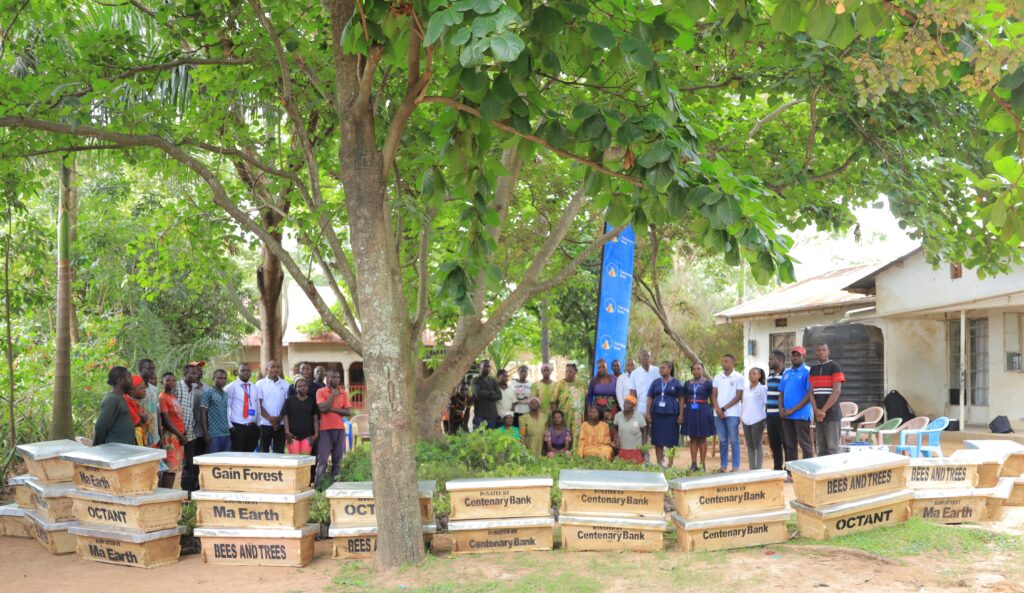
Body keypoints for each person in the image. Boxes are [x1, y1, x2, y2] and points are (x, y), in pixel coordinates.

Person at [779, 346, 814, 474]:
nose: (795, 357)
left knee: (805, 444)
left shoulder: (808, 371)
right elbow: (781, 393)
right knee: (790, 445)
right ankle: (791, 473)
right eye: (793, 355)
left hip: (801, 415)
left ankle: (808, 472)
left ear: (804, 357)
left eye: (798, 355)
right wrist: (781, 408)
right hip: (786, 415)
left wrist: (793, 410)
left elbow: (809, 395)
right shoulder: (786, 372)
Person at [316, 368, 352, 486]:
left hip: (339, 430)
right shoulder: (320, 391)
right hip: (325, 430)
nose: (336, 380)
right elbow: (322, 408)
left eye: (337, 377)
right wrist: (332, 395)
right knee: (323, 460)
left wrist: (331, 409)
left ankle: (334, 486)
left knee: (338, 460)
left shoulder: (343, 393)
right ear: (327, 378)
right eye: (333, 377)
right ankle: (318, 487)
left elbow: (348, 412)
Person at [175, 362, 206, 492]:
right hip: (177, 432)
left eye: (196, 373)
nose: (195, 375)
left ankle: (191, 490)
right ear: (185, 374)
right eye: (192, 373)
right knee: (178, 464)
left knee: (190, 462)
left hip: (190, 432)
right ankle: (185, 490)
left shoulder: (193, 389)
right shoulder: (177, 386)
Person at [810, 343, 846, 457]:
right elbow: (811, 392)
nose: (821, 352)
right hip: (818, 416)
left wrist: (823, 410)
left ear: (828, 352)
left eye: (824, 350)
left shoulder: (835, 367)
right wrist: (816, 410)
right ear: (816, 352)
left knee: (833, 448)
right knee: (821, 448)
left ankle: (834, 469)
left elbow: (837, 391)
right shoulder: (813, 369)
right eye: (819, 350)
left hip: (832, 414)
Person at [646, 361, 683, 468]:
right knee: (658, 440)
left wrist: (681, 415)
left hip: (672, 415)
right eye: (660, 368)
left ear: (669, 369)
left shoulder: (676, 383)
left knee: (671, 440)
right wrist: (648, 413)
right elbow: (650, 398)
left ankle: (670, 464)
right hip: (657, 414)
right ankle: (659, 464)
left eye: (663, 367)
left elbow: (681, 399)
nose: (661, 369)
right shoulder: (655, 382)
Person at [712, 354, 744, 473]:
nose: (724, 363)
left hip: (733, 414)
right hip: (718, 414)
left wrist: (723, 409)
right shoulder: (717, 377)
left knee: (734, 440)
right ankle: (723, 465)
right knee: (723, 441)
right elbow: (714, 395)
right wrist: (718, 410)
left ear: (733, 362)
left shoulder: (739, 377)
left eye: (726, 361)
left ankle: (735, 466)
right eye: (723, 361)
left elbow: (738, 396)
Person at [681, 362, 715, 472]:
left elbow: (713, 400)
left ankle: (702, 464)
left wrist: (708, 410)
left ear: (702, 370)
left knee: (702, 438)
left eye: (699, 369)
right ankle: (694, 464)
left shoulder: (708, 383)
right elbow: (684, 399)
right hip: (690, 411)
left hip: (704, 411)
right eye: (694, 369)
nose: (696, 371)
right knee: (693, 438)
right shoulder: (687, 383)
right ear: (691, 371)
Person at [93, 366, 136, 446]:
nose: (132, 380)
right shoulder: (112, 399)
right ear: (120, 380)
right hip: (115, 450)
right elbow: (100, 427)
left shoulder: (120, 398)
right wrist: (97, 447)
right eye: (129, 377)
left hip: (122, 450)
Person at [256, 360, 291, 453]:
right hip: (264, 424)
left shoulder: (285, 384)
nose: (275, 369)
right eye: (272, 366)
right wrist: (270, 419)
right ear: (267, 369)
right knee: (263, 451)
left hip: (280, 424)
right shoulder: (260, 384)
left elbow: (287, 404)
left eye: (278, 367)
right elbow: (258, 404)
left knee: (279, 452)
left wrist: (278, 418)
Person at [158, 372, 186, 489]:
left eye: (173, 380)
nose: (171, 383)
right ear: (162, 382)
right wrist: (180, 435)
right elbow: (166, 421)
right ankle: (165, 494)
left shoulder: (173, 397)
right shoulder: (162, 397)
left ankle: (168, 493)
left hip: (178, 436)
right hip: (170, 436)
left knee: (173, 469)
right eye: (168, 380)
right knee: (169, 469)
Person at [225, 362, 260, 452]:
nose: (245, 372)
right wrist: (230, 426)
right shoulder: (231, 387)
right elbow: (226, 407)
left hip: (252, 427)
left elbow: (257, 406)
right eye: (243, 370)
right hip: (237, 427)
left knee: (249, 453)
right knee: (237, 454)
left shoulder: (254, 387)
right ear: (237, 372)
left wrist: (258, 424)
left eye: (248, 370)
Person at [283, 376, 320, 455]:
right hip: (292, 436)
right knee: (294, 459)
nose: (302, 388)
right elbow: (285, 417)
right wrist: (287, 432)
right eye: (299, 386)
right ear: (295, 388)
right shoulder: (289, 400)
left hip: (308, 436)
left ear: (308, 387)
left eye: (305, 385)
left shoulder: (312, 401)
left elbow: (315, 419)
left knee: (304, 459)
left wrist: (316, 434)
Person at [200, 369, 232, 454]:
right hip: (213, 434)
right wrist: (206, 434)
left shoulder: (225, 394)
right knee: (213, 459)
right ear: (213, 378)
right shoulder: (208, 392)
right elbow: (202, 413)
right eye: (219, 378)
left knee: (226, 459)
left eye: (224, 378)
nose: (222, 380)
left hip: (226, 433)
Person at [742, 367, 768, 471]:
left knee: (758, 445)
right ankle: (752, 468)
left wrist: (765, 420)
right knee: (750, 446)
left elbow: (766, 405)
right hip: (746, 420)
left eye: (754, 373)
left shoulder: (763, 389)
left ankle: (758, 469)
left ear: (759, 376)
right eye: (750, 373)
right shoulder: (745, 389)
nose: (751, 375)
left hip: (758, 420)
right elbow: (744, 404)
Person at [765, 350, 787, 471]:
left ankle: (788, 469)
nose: (769, 362)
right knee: (774, 444)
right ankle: (777, 468)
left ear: (779, 360)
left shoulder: (786, 375)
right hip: (770, 415)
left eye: (770, 359)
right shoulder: (770, 375)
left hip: (781, 415)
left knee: (786, 443)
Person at [552, 363, 586, 436]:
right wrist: (555, 416)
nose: (568, 373)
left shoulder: (581, 384)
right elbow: (554, 401)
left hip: (577, 416)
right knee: (565, 434)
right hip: (564, 415)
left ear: (575, 372)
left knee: (577, 435)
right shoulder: (560, 384)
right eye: (566, 371)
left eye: (570, 371)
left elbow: (585, 400)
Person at [613, 395, 647, 464]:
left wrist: (644, 446)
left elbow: (644, 432)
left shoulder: (639, 416)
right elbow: (614, 427)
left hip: (636, 449)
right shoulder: (618, 415)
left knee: (636, 467)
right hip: (622, 447)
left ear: (633, 406)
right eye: (625, 403)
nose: (625, 405)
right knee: (622, 466)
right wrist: (616, 436)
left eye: (628, 403)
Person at [629, 351, 659, 424]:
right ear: (640, 359)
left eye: (647, 356)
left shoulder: (657, 370)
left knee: (655, 428)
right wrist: (633, 407)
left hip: (656, 406)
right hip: (640, 408)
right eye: (643, 356)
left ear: (650, 358)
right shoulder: (634, 373)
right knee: (642, 429)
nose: (646, 358)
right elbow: (632, 392)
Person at [137, 359, 162, 449]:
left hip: (154, 435)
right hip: (140, 435)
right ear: (140, 370)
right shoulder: (135, 389)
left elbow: (157, 412)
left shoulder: (154, 389)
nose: (152, 371)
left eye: (153, 368)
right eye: (149, 368)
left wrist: (160, 435)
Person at [471, 360, 502, 429]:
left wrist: (484, 394)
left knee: (491, 435)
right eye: (485, 366)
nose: (488, 368)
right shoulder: (475, 380)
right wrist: (491, 393)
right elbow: (477, 392)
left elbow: (499, 395)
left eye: (489, 367)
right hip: (480, 416)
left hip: (492, 416)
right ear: (480, 367)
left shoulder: (494, 381)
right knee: (478, 435)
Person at [127, 375, 153, 447]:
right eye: (141, 388)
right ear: (131, 391)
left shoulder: (139, 404)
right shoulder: (128, 403)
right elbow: (139, 422)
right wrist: (144, 417)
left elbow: (145, 418)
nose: (144, 390)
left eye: (144, 388)